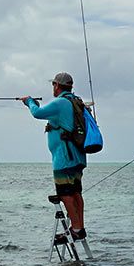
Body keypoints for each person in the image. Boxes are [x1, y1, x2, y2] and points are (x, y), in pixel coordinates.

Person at [20, 72, 89, 240]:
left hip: (64, 157)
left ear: (57, 86)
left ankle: (77, 229)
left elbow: (37, 113)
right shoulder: (75, 101)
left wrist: (29, 101)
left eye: (53, 85)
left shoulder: (60, 103)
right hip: (78, 156)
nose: (53, 87)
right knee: (76, 193)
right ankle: (79, 226)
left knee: (66, 194)